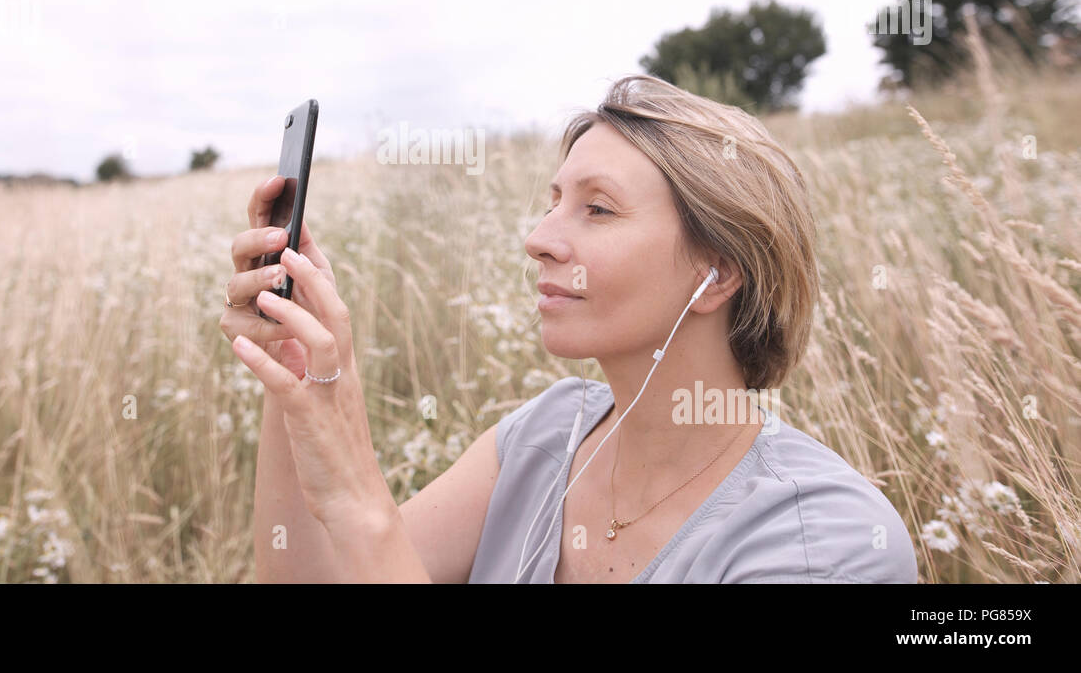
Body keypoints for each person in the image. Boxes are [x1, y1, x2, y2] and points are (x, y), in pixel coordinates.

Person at [220, 74, 919, 583]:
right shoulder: (544, 437)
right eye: (555, 201)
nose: (538, 238)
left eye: (599, 210)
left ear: (717, 274)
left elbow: (373, 547)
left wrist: (359, 499)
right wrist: (293, 367)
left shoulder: (823, 544)